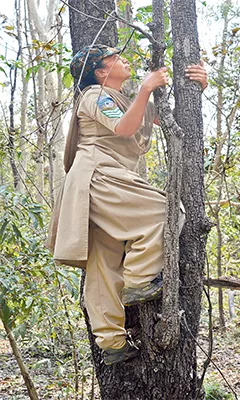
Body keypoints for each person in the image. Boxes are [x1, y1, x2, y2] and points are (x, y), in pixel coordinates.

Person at [46, 44, 208, 365]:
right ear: (101, 72)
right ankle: (139, 280)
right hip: (99, 177)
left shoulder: (122, 99)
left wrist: (197, 88)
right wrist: (147, 87)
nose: (124, 60)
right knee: (167, 213)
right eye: (114, 58)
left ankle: (112, 343)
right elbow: (123, 127)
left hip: (95, 182)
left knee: (103, 261)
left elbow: (171, 121)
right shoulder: (95, 95)